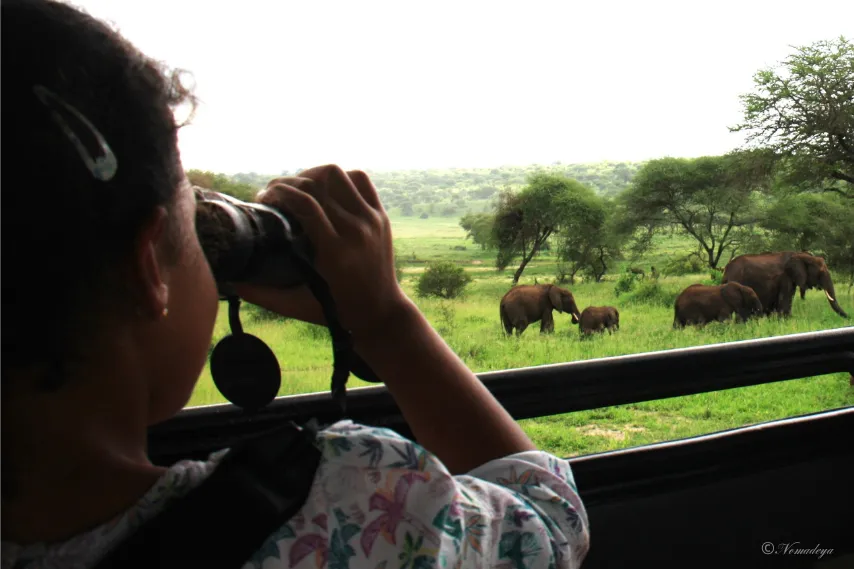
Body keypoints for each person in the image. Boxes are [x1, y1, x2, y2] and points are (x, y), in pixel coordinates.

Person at [0, 1, 590, 568]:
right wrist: (387, 322)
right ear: (149, 267)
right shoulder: (342, 510)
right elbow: (549, 523)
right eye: (196, 227)